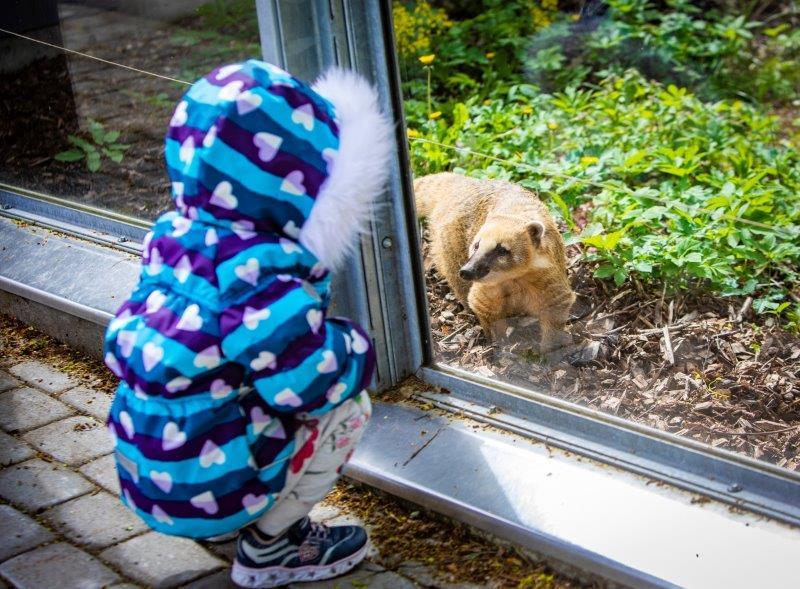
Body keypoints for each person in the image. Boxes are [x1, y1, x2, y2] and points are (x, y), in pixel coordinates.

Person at [102, 59, 393, 588]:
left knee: (229, 383)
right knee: (350, 405)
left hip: (152, 474)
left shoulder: (173, 238)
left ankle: (225, 512)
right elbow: (302, 386)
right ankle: (273, 546)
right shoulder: (260, 276)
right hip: (201, 485)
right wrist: (353, 346)